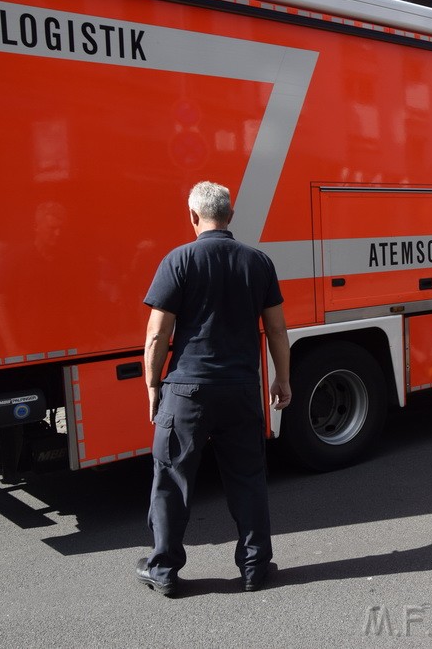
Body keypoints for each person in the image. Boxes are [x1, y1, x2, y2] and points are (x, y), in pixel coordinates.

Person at [136, 181, 292, 597]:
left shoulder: (178, 260)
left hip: (187, 390)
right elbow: (276, 328)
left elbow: (157, 336)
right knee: (248, 478)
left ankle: (164, 570)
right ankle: (255, 567)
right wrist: (282, 378)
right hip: (241, 388)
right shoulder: (258, 262)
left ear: (192, 216)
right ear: (230, 216)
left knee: (171, 479)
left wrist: (153, 385)